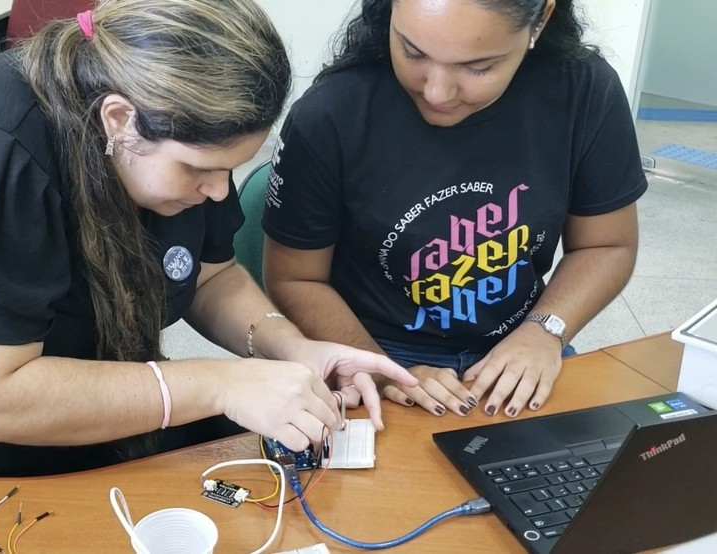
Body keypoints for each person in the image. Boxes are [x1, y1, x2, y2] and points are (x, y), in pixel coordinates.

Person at [0, 0, 417, 478]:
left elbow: (211, 273)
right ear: (119, 120)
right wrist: (221, 383)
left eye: (231, 168)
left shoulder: (156, 147)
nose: (220, 193)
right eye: (199, 169)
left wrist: (291, 348)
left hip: (97, 410)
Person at [262, 0, 646, 420]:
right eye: (412, 52)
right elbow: (295, 276)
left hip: (525, 338)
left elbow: (606, 245)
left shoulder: (584, 90)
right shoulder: (330, 113)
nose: (436, 91)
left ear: (541, 19)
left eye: (478, 67)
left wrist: (545, 331)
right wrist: (385, 372)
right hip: (369, 349)